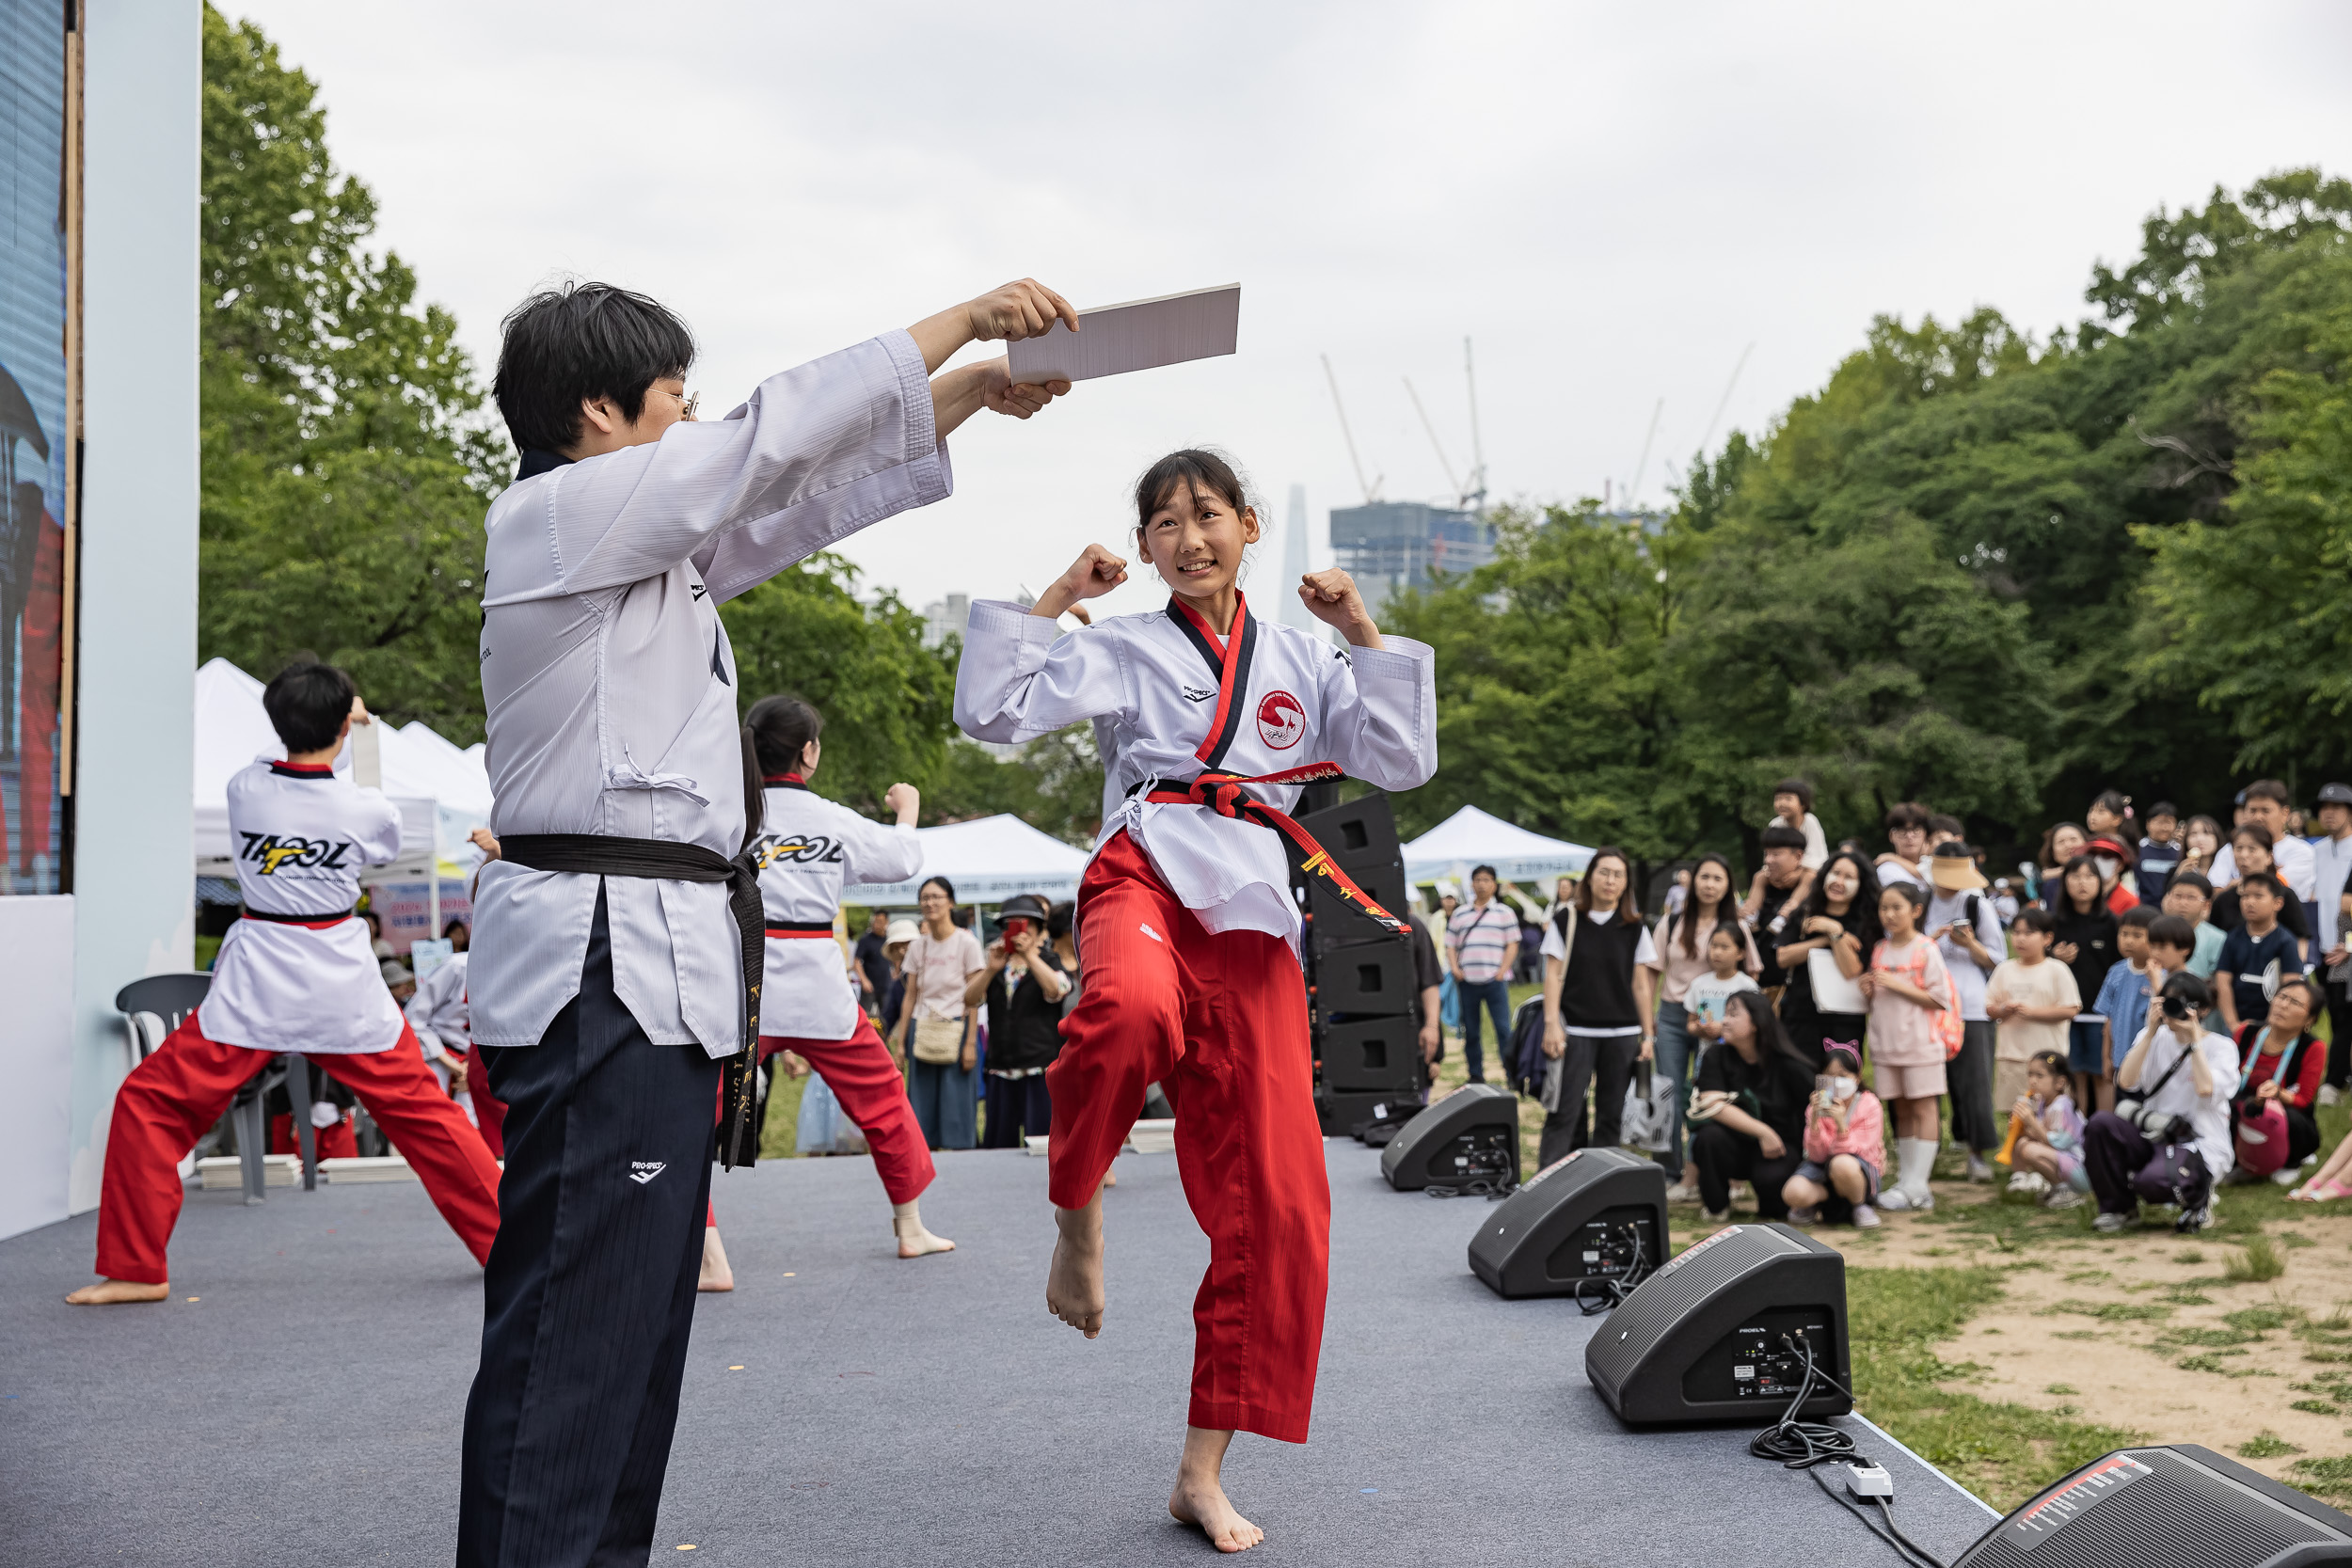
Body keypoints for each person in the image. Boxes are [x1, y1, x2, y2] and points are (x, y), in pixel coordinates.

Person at [456, 275, 1077, 1566]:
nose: (692, 412)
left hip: (651, 956)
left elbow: (790, 504)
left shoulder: (642, 550)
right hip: (599, 959)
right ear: (596, 409)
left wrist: (961, 398)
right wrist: (960, 323)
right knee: (579, 1325)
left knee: (633, 1328)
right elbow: (766, 442)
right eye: (671, 391)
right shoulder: (558, 513)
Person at [954, 446, 1437, 1553]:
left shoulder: (1304, 658)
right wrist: (1059, 599)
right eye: (1164, 523)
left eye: (1207, 515)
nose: (1188, 537)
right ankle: (1077, 1210)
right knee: (1124, 1014)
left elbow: (1400, 756)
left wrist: (1360, 627)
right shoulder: (1123, 644)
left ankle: (1200, 1470)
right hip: (1146, 873)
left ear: (1249, 526)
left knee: (1282, 1204)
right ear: (1145, 546)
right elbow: (993, 711)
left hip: (1257, 914)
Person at [70, 664, 502, 1306]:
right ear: (342, 723)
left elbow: (284, 757)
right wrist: (364, 731)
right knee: (430, 1119)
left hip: (261, 979)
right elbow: (378, 824)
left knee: (149, 1103)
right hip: (339, 981)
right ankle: (508, 1246)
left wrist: (326, 720)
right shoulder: (361, 805)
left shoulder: (247, 788)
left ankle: (136, 1265)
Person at [744, 692, 950, 1257]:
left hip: (740, 987)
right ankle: (910, 1228)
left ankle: (705, 1251)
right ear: (809, 753)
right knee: (883, 1099)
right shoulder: (830, 819)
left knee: (688, 1118)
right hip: (817, 987)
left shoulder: (723, 815)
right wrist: (906, 810)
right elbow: (903, 861)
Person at [2085, 972, 2236, 1232]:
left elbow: (2204, 1088)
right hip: (2156, 1132)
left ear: (2203, 1010)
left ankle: (2199, 1200)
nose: (2173, 1011)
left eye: (2180, 1004)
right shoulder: (2153, 1037)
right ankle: (2119, 1208)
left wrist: (2194, 1042)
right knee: (2100, 1124)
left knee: (2152, 1181)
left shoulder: (2222, 1047)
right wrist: (2150, 1031)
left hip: (2199, 1142)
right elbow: (2126, 1081)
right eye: (2168, 1002)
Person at [1535, 847, 1658, 1167]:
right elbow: (1553, 976)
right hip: (1575, 1030)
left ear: (1625, 883)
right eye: (1604, 872)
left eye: (1618, 875)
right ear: (1590, 878)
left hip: (1623, 1033)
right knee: (1564, 1111)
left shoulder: (1634, 926)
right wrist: (1551, 1024)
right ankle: (1546, 1186)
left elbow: (1641, 984)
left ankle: (1599, 1185)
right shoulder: (1567, 919)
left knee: (1610, 1116)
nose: (1610, 880)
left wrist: (1648, 1035)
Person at [1646, 854, 1758, 1195]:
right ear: (1692, 881)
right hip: (1673, 1016)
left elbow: (1752, 971)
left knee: (1717, 1093)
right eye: (1704, 877)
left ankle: (1718, 1169)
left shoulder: (1736, 927)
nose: (1710, 885)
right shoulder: (1673, 921)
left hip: (1721, 1024)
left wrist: (1739, 1021)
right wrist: (1647, 1023)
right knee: (1669, 1091)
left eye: (1718, 879)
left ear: (1728, 886)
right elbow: (1652, 970)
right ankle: (1670, 1171)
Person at [1861, 879, 1954, 1212]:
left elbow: (1939, 998)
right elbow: (1877, 997)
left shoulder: (1926, 949)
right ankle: (1905, 1180)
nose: (1889, 915)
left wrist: (1896, 985)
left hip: (1920, 1042)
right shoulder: (1880, 949)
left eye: (1896, 907)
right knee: (1900, 1109)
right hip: (1886, 1043)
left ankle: (1920, 1182)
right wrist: (1870, 988)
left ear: (1915, 911)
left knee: (1923, 1106)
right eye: (1884, 908)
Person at [1687, 991, 1815, 1223]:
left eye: (1733, 1014)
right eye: (1725, 1013)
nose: (1724, 1020)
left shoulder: (1788, 1064)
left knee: (1773, 1207)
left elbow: (1816, 1106)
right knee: (1707, 1139)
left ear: (1756, 1023)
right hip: (1733, 1144)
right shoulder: (1716, 1056)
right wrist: (1762, 1131)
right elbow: (1711, 1104)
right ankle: (1717, 1208)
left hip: (1779, 1148)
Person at [1925, 840, 2007, 1183]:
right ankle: (1925, 1150)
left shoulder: (1977, 903)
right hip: (1927, 1003)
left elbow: (1999, 958)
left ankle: (1977, 1153)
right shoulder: (1919, 901)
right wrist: (1933, 938)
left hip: (1971, 1004)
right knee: (1928, 1083)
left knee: (1974, 1080)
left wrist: (1969, 944)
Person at [976, 891, 1073, 1148]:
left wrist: (1030, 956)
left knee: (1042, 1145)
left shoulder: (1050, 961)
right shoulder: (997, 963)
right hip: (1000, 1067)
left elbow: (1058, 989)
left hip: (1039, 1067)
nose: (1019, 930)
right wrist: (990, 970)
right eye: (1012, 924)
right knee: (999, 1146)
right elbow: (968, 999)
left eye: (1026, 923)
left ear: (1040, 928)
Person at [898, 875, 986, 1150]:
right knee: (921, 1100)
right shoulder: (917, 946)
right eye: (925, 898)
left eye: (936, 897)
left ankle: (961, 1156)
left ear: (951, 902)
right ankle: (925, 1154)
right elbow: (910, 995)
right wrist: (901, 1043)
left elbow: (974, 996)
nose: (930, 903)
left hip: (957, 1030)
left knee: (957, 1099)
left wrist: (971, 1043)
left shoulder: (967, 943)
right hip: (922, 1029)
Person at [1773, 849, 1878, 1071]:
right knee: (1799, 1079)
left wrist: (1835, 931)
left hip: (1845, 1019)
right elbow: (1783, 957)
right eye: (1835, 873)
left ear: (1861, 884)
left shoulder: (1867, 922)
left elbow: (1851, 969)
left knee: (1838, 1084)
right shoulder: (1806, 911)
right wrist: (1824, 939)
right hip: (1800, 1013)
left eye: (1849, 877)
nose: (1839, 881)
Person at [1985, 908, 2080, 1134]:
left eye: (2029, 933)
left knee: (2050, 1116)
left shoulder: (2057, 970)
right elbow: (1989, 1008)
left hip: (2048, 1058)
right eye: (2016, 932)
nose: (2020, 938)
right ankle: (2018, 1163)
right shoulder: (2004, 969)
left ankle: (2044, 1162)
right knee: (2015, 1116)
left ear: (2047, 938)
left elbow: (2071, 1008)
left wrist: (2033, 1013)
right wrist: (2004, 1010)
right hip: (2012, 1056)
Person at [2229, 977, 2326, 1183]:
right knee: (2226, 1108)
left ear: (2310, 1019)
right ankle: (2237, 1160)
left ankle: (2292, 1161)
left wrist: (2279, 1093)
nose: (2283, 1005)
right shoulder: (2246, 1032)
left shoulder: (2313, 1047)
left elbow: (2303, 1099)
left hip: (2283, 1110)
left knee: (2290, 1119)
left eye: (2295, 1003)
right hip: (2244, 1103)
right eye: (2282, 997)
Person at [1783, 1042, 1884, 1228]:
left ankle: (1860, 1205)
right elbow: (1816, 1156)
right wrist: (1814, 1121)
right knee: (1793, 1192)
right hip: (1823, 1169)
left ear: (1857, 1077)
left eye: (1843, 1076)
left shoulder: (1870, 1104)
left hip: (1857, 1172)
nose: (1836, 1082)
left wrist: (1841, 1127)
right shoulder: (1816, 1105)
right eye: (1829, 1076)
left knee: (1842, 1163)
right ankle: (1824, 1202)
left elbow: (1862, 1150)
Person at [2050, 855, 2121, 1111]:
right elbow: (2039, 962)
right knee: (2073, 1075)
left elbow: (2120, 966)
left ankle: (2104, 1132)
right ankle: (2075, 1136)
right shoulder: (2055, 923)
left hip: (2101, 1014)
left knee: (2103, 1075)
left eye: (2090, 876)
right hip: (2065, 1013)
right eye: (2075, 876)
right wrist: (2054, 958)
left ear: (2100, 883)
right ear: (2064, 882)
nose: (2083, 883)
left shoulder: (2110, 922)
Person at [1446, 864, 1520, 1085]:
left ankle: (1511, 1074)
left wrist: (1501, 971)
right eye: (1477, 880)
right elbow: (1450, 945)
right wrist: (1455, 968)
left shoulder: (1504, 913)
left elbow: (1513, 944)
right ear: (1471, 884)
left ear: (1494, 885)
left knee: (1503, 1030)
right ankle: (1475, 1075)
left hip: (1495, 982)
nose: (1481, 884)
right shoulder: (1460, 913)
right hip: (1467, 981)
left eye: (1486, 880)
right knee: (1472, 1031)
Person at [2215, 871, 2307, 1037]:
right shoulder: (2233, 938)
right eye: (2245, 896)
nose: (2249, 902)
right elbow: (2223, 982)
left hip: (2273, 1027)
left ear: (2278, 903)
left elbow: (2291, 985)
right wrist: (2234, 1024)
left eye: (2258, 896)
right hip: (2235, 1024)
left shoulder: (2286, 941)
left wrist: (2271, 1025)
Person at [2090, 907, 2159, 1115]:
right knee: (2123, 1113)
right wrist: (2106, 1057)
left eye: (2137, 935)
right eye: (2124, 934)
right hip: (2122, 1060)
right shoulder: (2116, 971)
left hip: (2152, 1062)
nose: (2128, 940)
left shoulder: (2160, 974)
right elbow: (2108, 1018)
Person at [2005, 1050, 2090, 1210]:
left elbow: (2060, 1143)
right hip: (2067, 1164)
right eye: (2030, 1075)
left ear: (2059, 1083)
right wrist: (2020, 1128)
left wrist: (2031, 1121)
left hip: (2081, 1169)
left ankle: (2067, 1191)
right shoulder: (2045, 1103)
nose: (2033, 1081)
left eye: (2039, 1076)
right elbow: (2043, 1137)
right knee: (2023, 1143)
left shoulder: (2062, 1106)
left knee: (2029, 1149)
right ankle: (2058, 1188)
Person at [2212, 780, 2316, 909]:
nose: (2258, 817)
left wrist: (2235, 885)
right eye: (2252, 810)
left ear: (2285, 813)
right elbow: (2215, 893)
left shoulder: (2301, 851)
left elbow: (2278, 888)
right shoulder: (2229, 850)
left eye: (2265, 811)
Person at [2213, 826, 2312, 959]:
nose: (2243, 855)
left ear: (2268, 856)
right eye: (2238, 848)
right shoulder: (2224, 899)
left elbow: (2301, 939)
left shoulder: (2284, 895)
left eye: (2252, 849)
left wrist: (2294, 973)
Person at [1741, 823, 1812, 993]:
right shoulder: (1761, 881)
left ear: (1798, 856)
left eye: (1776, 854)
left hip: (1794, 988)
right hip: (1757, 983)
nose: (1768, 860)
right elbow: (1750, 912)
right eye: (1766, 854)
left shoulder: (1812, 887)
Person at [2159, 871, 2229, 978]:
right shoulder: (2156, 931)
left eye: (2191, 897)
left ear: (2206, 905)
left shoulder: (2218, 938)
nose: (2183, 903)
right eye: (2178, 896)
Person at [2137, 801, 2184, 904]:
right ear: (2148, 824)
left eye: (2169, 822)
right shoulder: (2137, 850)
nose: (2164, 828)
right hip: (2142, 908)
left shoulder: (2180, 852)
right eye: (2160, 822)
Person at [1876, 801, 1931, 888]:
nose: (1909, 836)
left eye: (1916, 830)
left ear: (1925, 834)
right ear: (1891, 836)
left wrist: (1891, 857)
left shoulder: (1934, 864)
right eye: (1902, 830)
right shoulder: (1888, 870)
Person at [852, 909, 895, 1021]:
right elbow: (857, 962)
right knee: (865, 1016)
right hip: (869, 986)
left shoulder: (889, 939)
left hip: (886, 985)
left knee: (885, 1016)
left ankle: (885, 1037)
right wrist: (864, 980)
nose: (877, 925)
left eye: (880, 922)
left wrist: (896, 973)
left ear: (886, 922)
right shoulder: (866, 939)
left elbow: (895, 958)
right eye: (875, 921)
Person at [2037, 822, 2089, 905]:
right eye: (2061, 842)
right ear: (2053, 853)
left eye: (2073, 839)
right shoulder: (2051, 885)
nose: (2068, 845)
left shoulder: (2103, 875)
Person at [2178, 814, 2226, 886]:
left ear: (2217, 838)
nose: (2200, 839)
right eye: (2193, 833)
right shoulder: (2178, 870)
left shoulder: (2229, 870)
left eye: (2207, 833)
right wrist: (2178, 876)